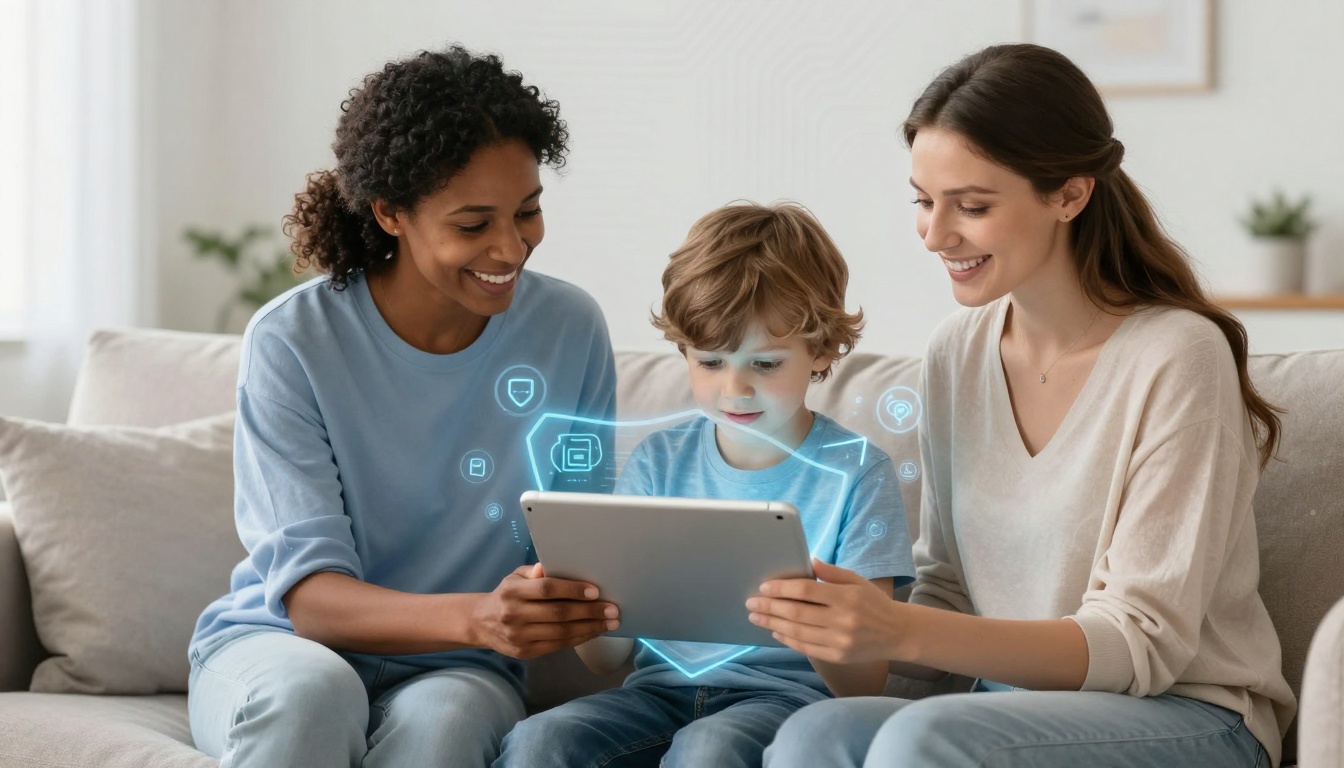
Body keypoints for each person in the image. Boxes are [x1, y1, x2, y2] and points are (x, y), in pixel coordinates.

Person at [757, 43, 1296, 768]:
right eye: (923, 200)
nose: (934, 235)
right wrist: (832, 628)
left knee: (925, 737)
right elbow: (947, 590)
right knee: (815, 735)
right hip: (1004, 711)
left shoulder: (1177, 355)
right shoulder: (957, 351)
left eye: (972, 206)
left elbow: (1141, 643)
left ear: (1070, 195)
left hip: (1189, 716)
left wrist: (900, 631)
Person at [187, 45, 620, 768]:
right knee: (310, 696)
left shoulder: (569, 329)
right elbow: (313, 603)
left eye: (528, 211)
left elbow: (582, 544)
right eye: (474, 223)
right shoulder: (292, 341)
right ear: (391, 213)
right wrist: (480, 615)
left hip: (461, 665)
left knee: (446, 722)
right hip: (282, 648)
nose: (511, 247)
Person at [494, 202, 915, 768]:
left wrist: (818, 614)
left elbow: (863, 683)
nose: (734, 389)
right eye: (711, 362)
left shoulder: (858, 473)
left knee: (707, 749)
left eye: (764, 364)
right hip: (656, 695)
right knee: (538, 741)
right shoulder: (658, 462)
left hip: (786, 703)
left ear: (821, 350)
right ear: (683, 352)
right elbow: (604, 661)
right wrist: (580, 595)